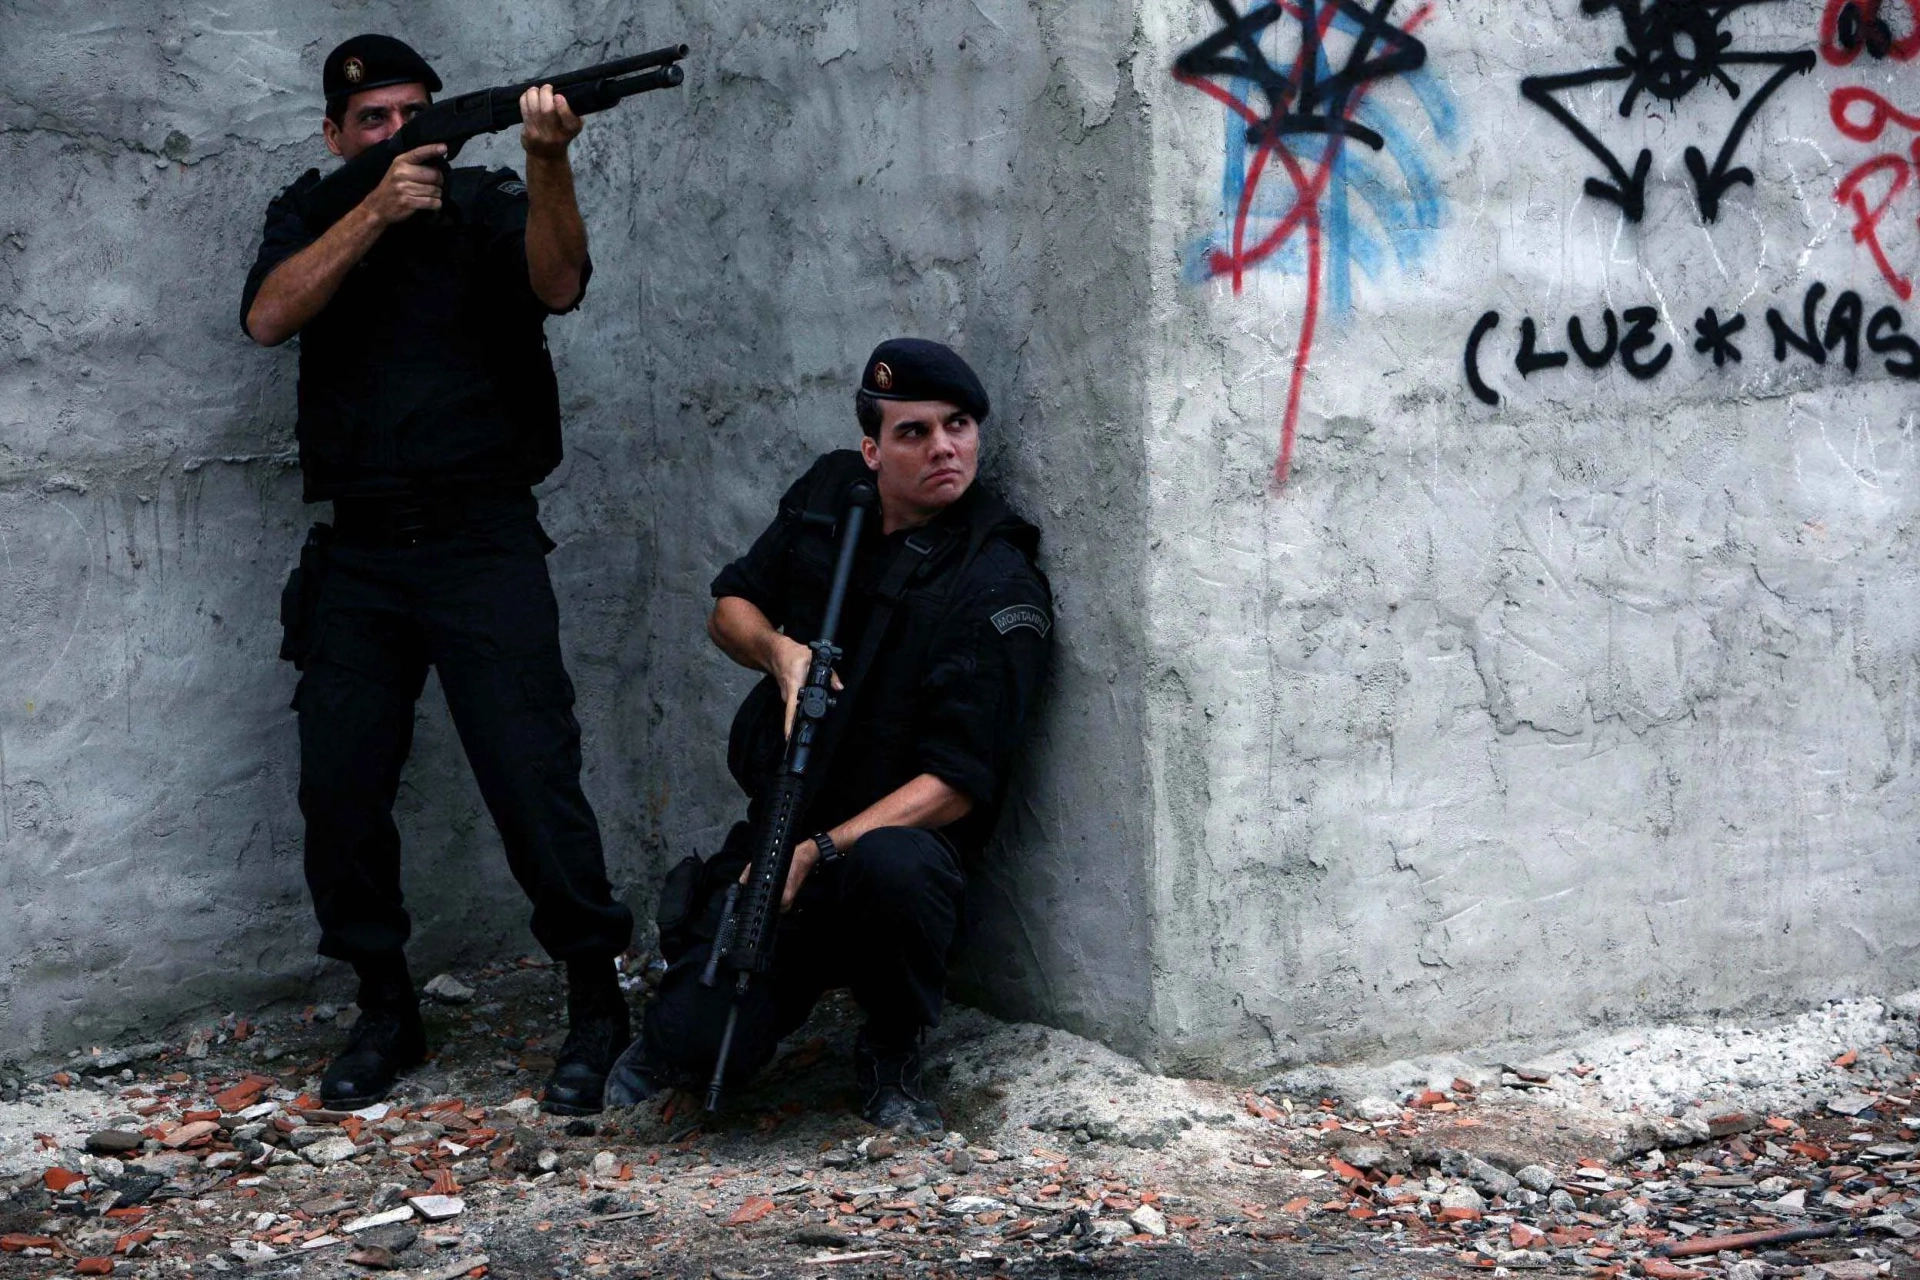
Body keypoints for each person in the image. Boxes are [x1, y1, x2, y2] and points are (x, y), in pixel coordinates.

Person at [240, 33, 633, 1115]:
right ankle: (385, 1006)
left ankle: (597, 1000)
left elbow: (559, 285)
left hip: (481, 539)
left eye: (415, 114)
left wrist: (551, 159)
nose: (397, 133)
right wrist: (372, 210)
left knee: (530, 772)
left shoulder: (493, 197)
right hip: (360, 549)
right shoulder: (316, 208)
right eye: (374, 120)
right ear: (337, 134)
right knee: (341, 784)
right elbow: (269, 314)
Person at [605, 339, 1053, 1132]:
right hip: (786, 817)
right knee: (699, 1048)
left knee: (895, 868)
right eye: (915, 432)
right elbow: (730, 606)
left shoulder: (996, 578)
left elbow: (958, 781)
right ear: (872, 450)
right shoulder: (830, 497)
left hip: (888, 853)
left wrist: (818, 853)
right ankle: (704, 1017)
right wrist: (780, 654)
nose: (945, 448)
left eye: (959, 425)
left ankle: (892, 1044)